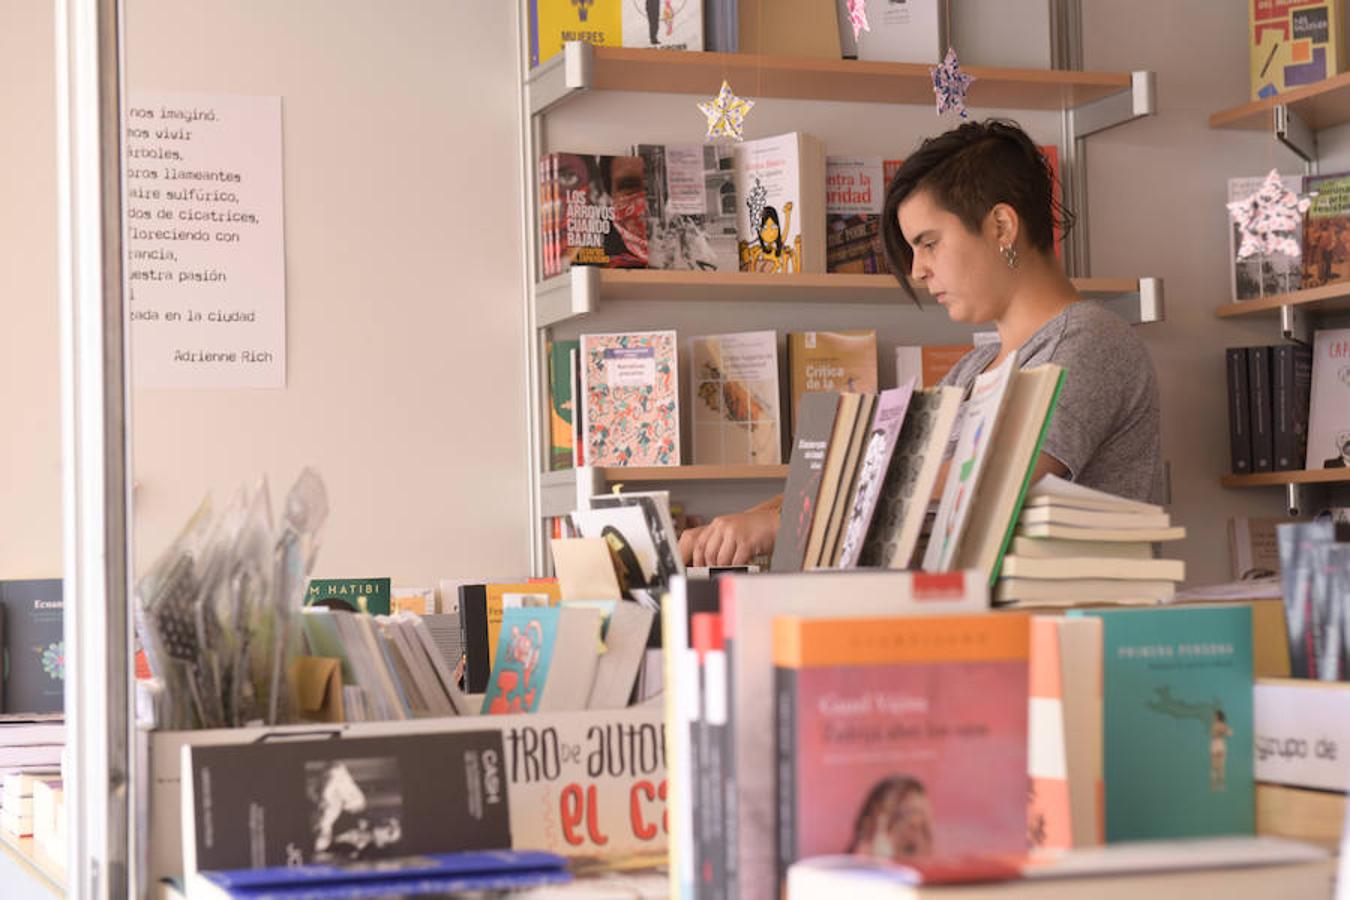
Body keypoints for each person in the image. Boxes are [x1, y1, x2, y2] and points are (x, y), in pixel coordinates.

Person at [679, 118, 1163, 567]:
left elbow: (984, 479)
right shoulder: (971, 371)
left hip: (1070, 639)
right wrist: (748, 521)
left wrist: (787, 522)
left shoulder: (1091, 341)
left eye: (929, 244)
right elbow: (877, 472)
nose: (917, 270)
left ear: (1001, 226)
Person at [847, 776, 934, 862]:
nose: (915, 822)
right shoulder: (860, 860)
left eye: (923, 827)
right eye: (902, 816)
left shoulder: (921, 859)